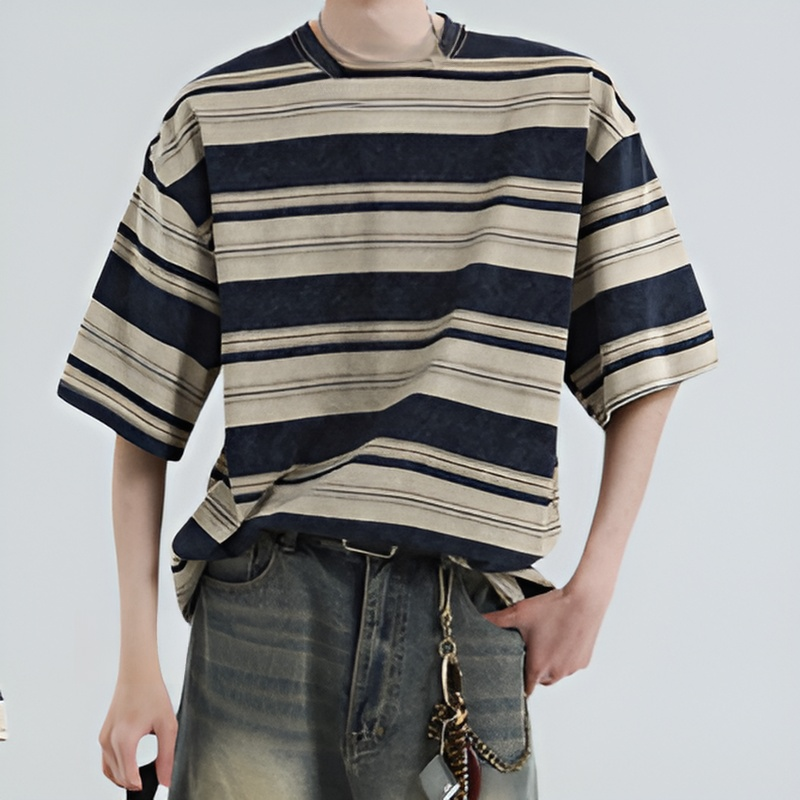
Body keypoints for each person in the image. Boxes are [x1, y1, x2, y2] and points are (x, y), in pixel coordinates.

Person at [57, 1, 717, 797]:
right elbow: (141, 405)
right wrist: (136, 663)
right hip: (267, 613)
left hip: (467, 610)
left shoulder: (566, 104)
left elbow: (650, 350)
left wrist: (594, 589)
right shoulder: (218, 116)